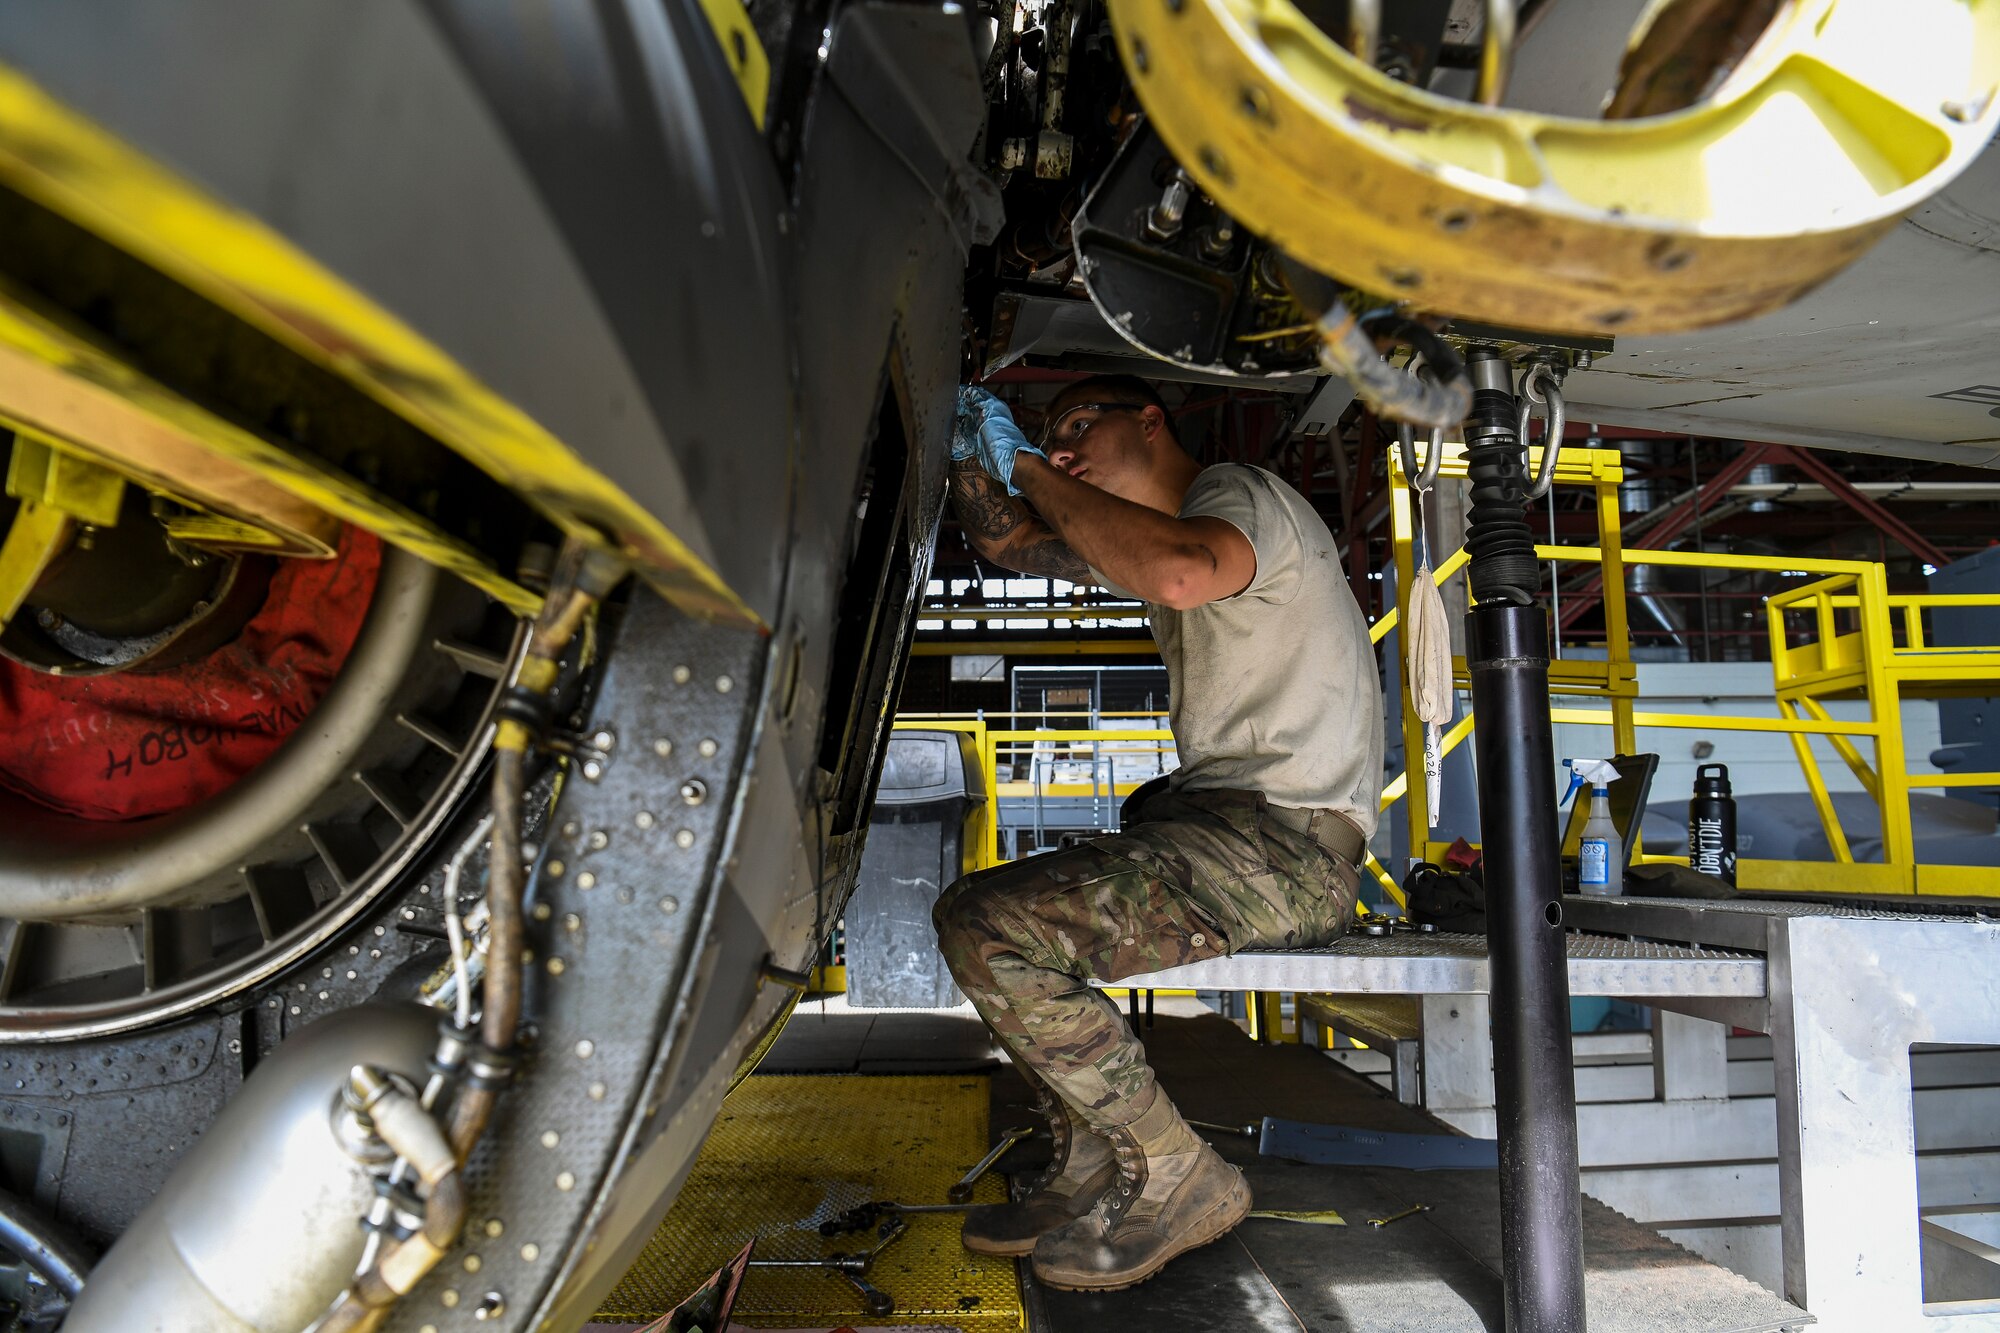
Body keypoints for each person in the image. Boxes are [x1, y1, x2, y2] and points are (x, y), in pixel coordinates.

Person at [932, 374, 1384, 1290]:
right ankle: (1092, 1156)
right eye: (1049, 435)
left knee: (992, 928)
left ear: (1150, 421)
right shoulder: (1154, 538)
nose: (1060, 447)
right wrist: (964, 449)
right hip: (1237, 837)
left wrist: (1020, 458)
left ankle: (1178, 1171)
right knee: (975, 914)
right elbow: (1013, 542)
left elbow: (1178, 569)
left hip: (1286, 851)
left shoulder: (1235, 497)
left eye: (1077, 425)